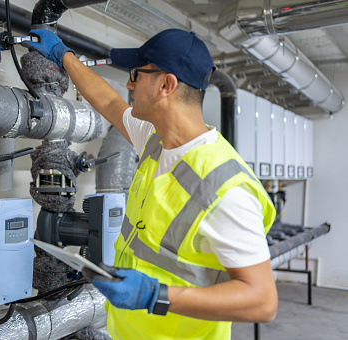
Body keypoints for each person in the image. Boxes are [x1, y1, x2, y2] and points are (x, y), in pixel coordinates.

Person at [27, 28, 277, 340]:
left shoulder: (225, 188)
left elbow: (263, 302)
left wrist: (152, 295)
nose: (130, 84)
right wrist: (64, 56)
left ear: (166, 85)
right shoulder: (156, 140)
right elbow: (108, 102)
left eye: (137, 74)